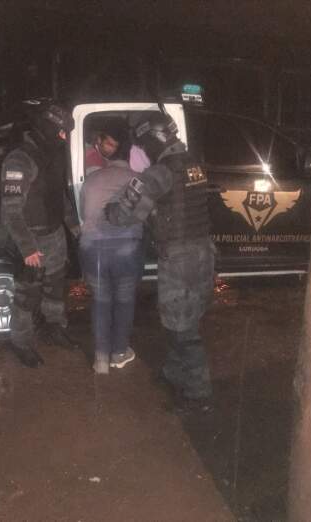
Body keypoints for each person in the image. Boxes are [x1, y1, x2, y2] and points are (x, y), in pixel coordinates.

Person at [106, 111, 215, 410]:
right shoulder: (193, 162)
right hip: (203, 252)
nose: (143, 150)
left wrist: (108, 210)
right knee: (181, 319)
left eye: (143, 144)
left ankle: (198, 394)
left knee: (182, 328)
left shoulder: (160, 173)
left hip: (180, 259)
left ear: (154, 138)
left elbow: (124, 215)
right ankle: (174, 372)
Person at [0, 100, 80, 368]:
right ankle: (21, 342)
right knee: (27, 295)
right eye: (61, 132)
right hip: (32, 239)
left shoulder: (53, 154)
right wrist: (27, 248)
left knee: (55, 288)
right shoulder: (20, 159)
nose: (64, 138)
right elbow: (10, 211)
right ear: (47, 128)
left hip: (55, 234)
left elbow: (59, 197)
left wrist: (75, 228)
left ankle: (55, 328)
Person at [79, 140, 142, 374]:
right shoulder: (138, 180)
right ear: (129, 159)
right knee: (124, 300)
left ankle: (101, 359)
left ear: (109, 157)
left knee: (100, 300)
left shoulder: (92, 180)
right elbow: (146, 214)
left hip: (93, 249)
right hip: (126, 249)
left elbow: (82, 211)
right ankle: (119, 353)